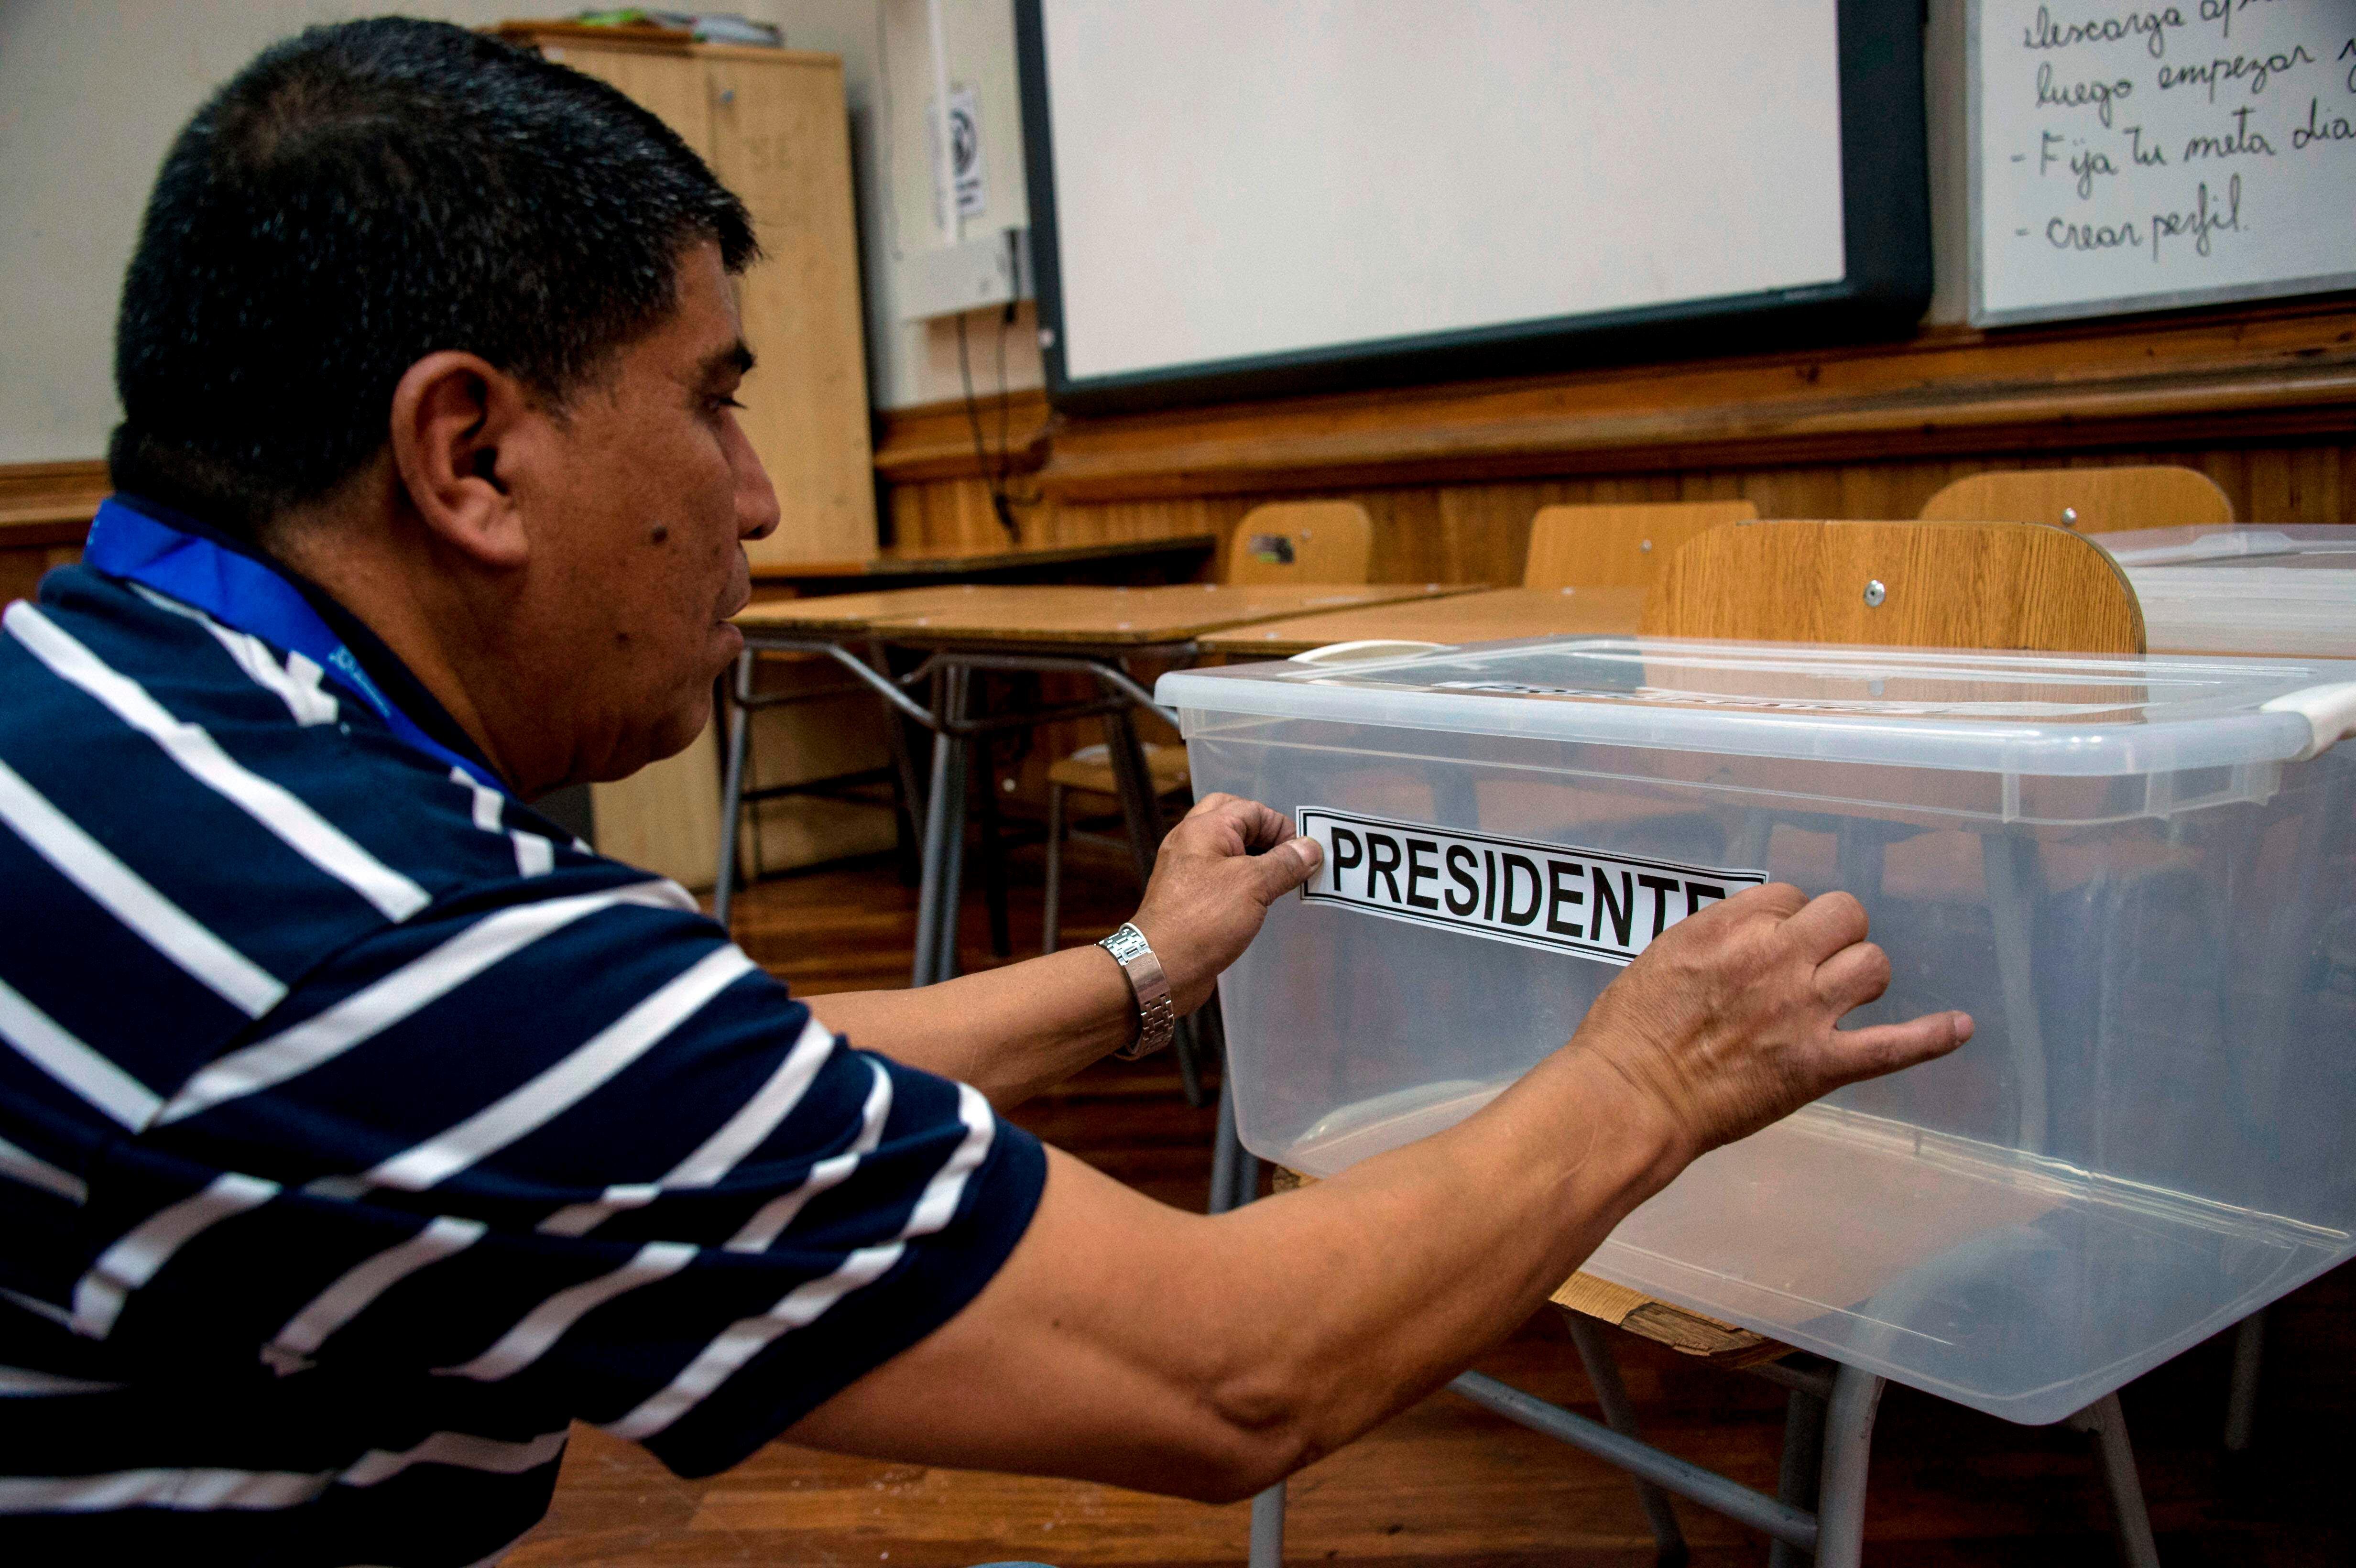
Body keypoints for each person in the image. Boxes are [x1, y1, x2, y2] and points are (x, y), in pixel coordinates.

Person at [0, 18, 1970, 1565]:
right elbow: (1229, 1370)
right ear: (468, 456)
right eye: (712, 398)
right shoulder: (388, 944)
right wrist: (1651, 1073)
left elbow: (699, 1075)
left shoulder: (118, 721)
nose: (759, 495)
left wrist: (1140, 963)